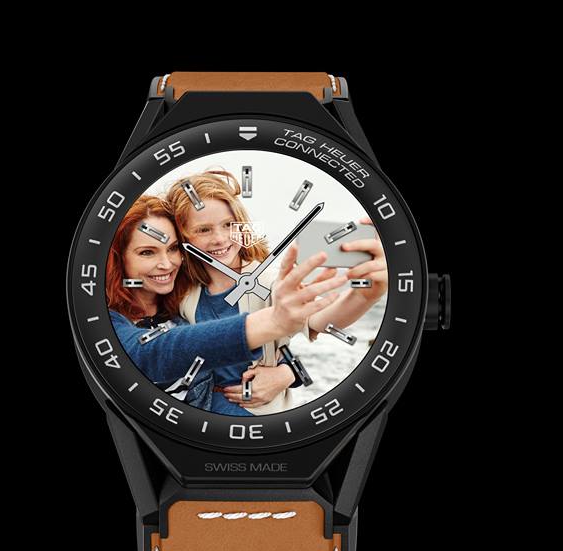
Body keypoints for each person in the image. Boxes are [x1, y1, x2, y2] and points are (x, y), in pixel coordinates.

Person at [166, 169, 388, 414]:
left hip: (258, 415)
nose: (219, 238)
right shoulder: (183, 288)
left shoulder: (269, 279)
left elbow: (319, 318)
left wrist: (365, 295)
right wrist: (290, 371)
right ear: (182, 237)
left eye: (228, 225)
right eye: (203, 230)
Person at [106, 195, 343, 414]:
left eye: (173, 248)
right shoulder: (107, 320)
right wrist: (273, 322)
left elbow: (226, 351)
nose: (166, 264)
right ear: (118, 257)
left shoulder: (183, 302)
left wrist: (289, 371)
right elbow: (151, 352)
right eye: (147, 252)